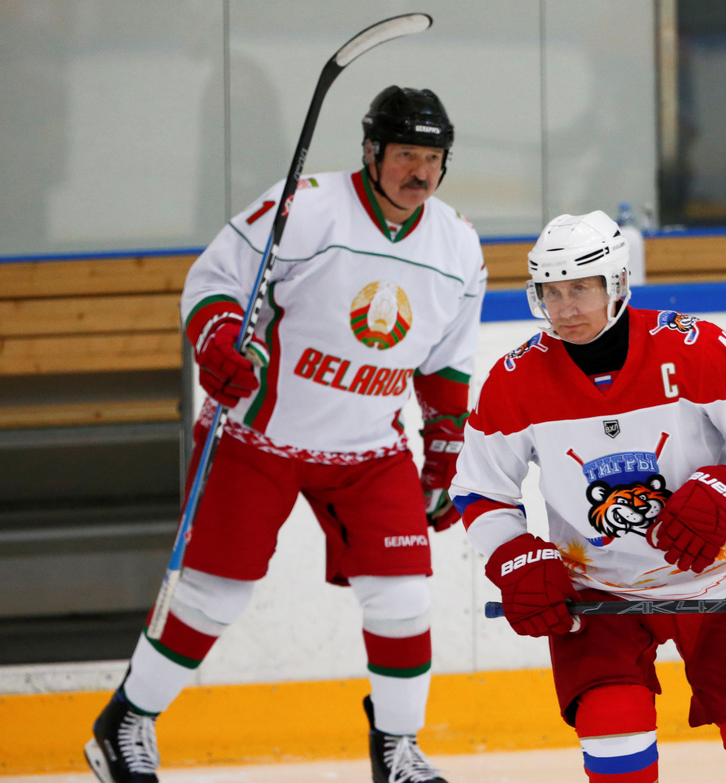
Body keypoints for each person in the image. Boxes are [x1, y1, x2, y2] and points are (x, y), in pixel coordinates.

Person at [84, 86, 485, 783]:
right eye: (405, 155)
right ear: (371, 152)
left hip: (368, 449)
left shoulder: (457, 242)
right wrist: (217, 342)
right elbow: (214, 283)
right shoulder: (304, 207)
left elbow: (447, 363)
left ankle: (397, 750)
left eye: (432, 159)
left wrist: (443, 456)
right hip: (255, 438)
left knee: (403, 597)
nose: (419, 172)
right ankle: (126, 721)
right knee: (214, 594)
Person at [450, 211, 726, 783]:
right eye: (551, 292)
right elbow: (480, 489)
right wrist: (513, 554)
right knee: (613, 736)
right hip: (598, 593)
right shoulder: (515, 379)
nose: (565, 308)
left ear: (618, 283)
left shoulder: (693, 346)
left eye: (580, 288)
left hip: (716, 578)